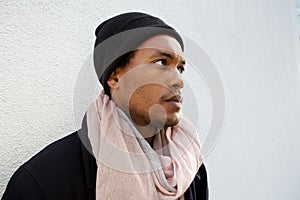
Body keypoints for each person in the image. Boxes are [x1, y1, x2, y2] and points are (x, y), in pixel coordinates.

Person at [3, 12, 209, 200]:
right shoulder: (42, 181)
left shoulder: (188, 165)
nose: (179, 81)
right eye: (161, 63)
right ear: (115, 76)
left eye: (180, 68)